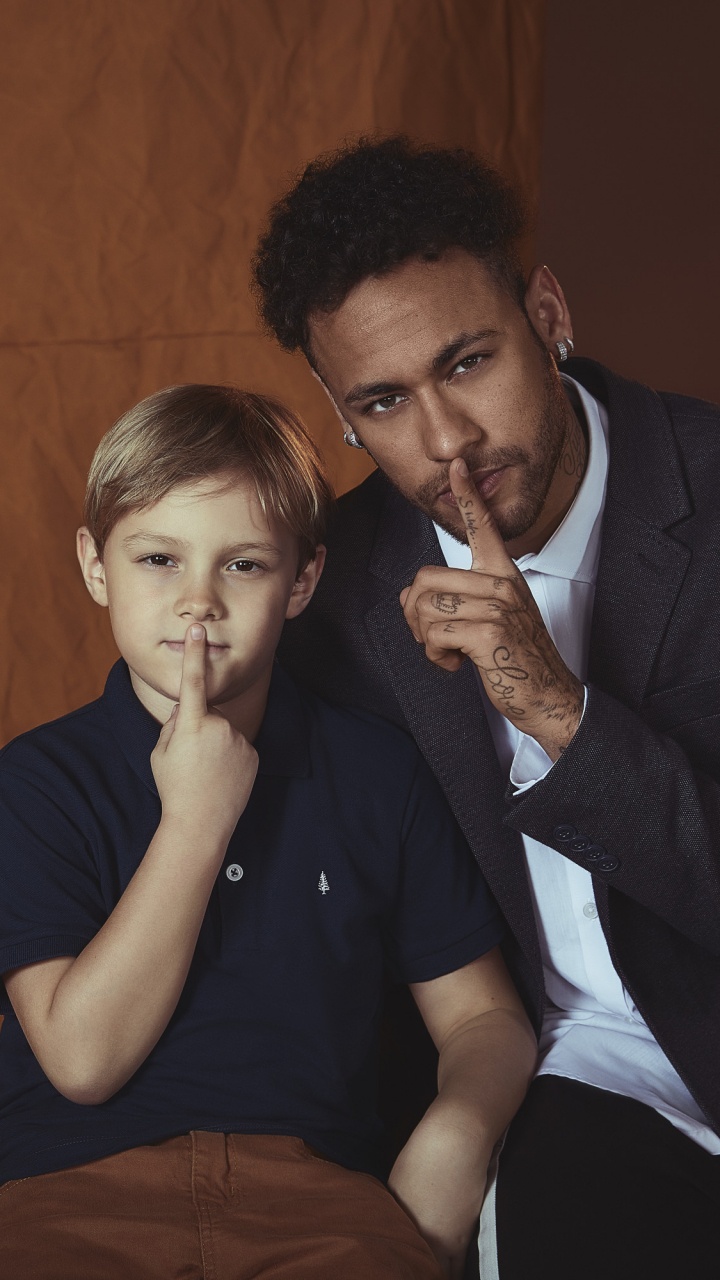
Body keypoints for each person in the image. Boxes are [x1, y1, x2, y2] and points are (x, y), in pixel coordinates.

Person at [253, 136, 720, 1279]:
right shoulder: (337, 597)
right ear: (336, 408)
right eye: (383, 400)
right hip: (578, 1084)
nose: (446, 439)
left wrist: (558, 709)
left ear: (548, 311)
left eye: (468, 361)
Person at [0, 385, 537, 1280]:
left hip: (319, 1202)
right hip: (68, 1196)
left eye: (243, 565)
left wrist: (460, 1130)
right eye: (159, 559)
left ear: (303, 581)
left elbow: (485, 1016)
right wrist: (195, 821)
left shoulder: (378, 774)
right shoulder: (36, 783)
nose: (197, 603)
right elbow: (83, 1060)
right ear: (97, 566)